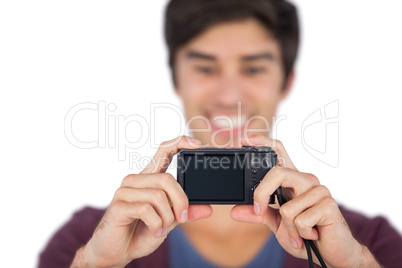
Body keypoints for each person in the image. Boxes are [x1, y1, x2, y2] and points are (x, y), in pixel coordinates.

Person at [39, 0, 402, 267]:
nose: (229, 95)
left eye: (254, 68)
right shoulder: (85, 241)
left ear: (286, 81)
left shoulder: (367, 243)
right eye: (206, 68)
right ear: (177, 80)